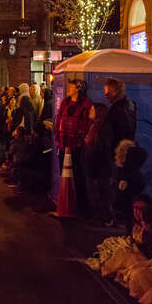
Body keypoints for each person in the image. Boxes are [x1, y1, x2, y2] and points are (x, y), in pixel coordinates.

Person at [53, 79, 92, 215]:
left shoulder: (86, 105)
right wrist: (58, 139)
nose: (69, 88)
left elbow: (87, 125)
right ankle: (64, 202)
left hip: (76, 146)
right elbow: (58, 120)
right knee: (63, 174)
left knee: (78, 176)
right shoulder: (65, 102)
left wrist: (79, 141)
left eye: (71, 86)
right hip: (63, 144)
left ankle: (81, 207)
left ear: (78, 88)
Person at [83, 103, 113, 221]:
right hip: (93, 167)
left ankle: (105, 218)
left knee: (101, 194)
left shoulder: (102, 129)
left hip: (99, 168)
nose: (89, 112)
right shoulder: (93, 126)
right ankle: (99, 217)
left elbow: (101, 150)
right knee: (95, 194)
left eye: (92, 110)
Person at [112, 140, 146, 230]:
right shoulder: (128, 169)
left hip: (125, 200)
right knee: (130, 219)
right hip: (128, 200)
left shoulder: (121, 168)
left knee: (129, 219)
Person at [102, 78, 137, 157]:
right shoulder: (130, 104)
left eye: (106, 90)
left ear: (113, 91)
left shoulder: (116, 108)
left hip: (117, 149)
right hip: (127, 146)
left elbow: (110, 132)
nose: (105, 94)